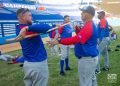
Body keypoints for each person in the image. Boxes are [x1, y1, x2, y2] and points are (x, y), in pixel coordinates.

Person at [47, 6, 99, 86]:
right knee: (91, 80)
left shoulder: (89, 26)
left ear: (88, 14)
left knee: (85, 82)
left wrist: (59, 41)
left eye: (83, 12)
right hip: (90, 58)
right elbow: (83, 39)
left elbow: (76, 39)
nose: (81, 13)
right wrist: (78, 31)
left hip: (87, 59)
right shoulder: (88, 24)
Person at [15, 8, 52, 86]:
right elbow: (47, 27)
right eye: (30, 15)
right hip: (37, 64)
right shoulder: (26, 29)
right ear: (23, 17)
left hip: (28, 63)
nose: (32, 17)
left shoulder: (19, 28)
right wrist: (27, 28)